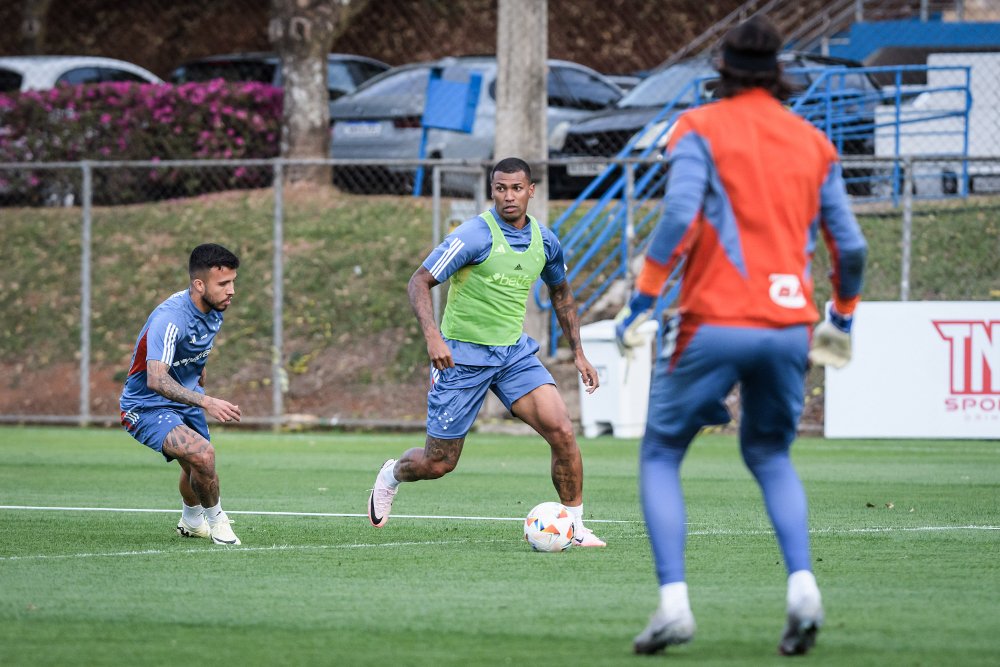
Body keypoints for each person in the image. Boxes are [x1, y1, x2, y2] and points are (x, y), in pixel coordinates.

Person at [615, 15, 867, 656]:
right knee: (771, 455)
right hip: (789, 327)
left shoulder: (699, 126)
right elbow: (852, 247)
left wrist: (642, 299)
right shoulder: (815, 143)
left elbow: (679, 214)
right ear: (780, 72)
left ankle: (674, 605)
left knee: (661, 452)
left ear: (721, 70)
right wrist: (841, 316)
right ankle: (804, 589)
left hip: (713, 320)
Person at [367, 157, 606, 547]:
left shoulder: (545, 241)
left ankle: (576, 527)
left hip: (512, 356)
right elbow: (419, 281)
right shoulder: (473, 236)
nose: (509, 196)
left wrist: (578, 352)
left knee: (562, 431)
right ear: (491, 190)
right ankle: (391, 474)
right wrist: (433, 338)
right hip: (460, 358)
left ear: (531, 191)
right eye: (500, 188)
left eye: (517, 188)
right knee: (438, 463)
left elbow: (561, 291)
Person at [119, 243, 244, 546]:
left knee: (196, 465)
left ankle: (191, 521)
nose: (231, 291)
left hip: (184, 397)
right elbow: (156, 379)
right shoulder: (170, 319)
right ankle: (218, 521)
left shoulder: (214, 309)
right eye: (223, 284)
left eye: (233, 282)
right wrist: (206, 401)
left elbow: (194, 346)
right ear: (199, 285)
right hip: (146, 405)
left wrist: (199, 372)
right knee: (203, 454)